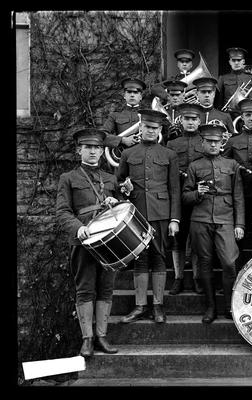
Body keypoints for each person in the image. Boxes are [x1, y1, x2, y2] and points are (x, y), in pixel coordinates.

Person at [56, 128, 122, 357]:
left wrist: (116, 202)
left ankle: (102, 336)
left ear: (103, 152)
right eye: (88, 147)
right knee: (84, 289)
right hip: (83, 242)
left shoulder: (111, 178)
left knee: (106, 288)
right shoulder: (69, 178)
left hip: (108, 245)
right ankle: (87, 339)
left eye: (97, 148)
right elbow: (62, 212)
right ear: (79, 151)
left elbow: (121, 214)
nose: (93, 151)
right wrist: (78, 227)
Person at [116, 109, 181, 324]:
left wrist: (174, 219)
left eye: (155, 128)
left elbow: (174, 189)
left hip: (161, 213)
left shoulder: (169, 154)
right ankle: (140, 306)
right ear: (141, 128)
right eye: (147, 127)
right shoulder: (128, 154)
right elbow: (118, 184)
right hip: (135, 213)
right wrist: (123, 188)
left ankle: (158, 306)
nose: (151, 131)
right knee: (139, 258)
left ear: (160, 129)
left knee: (159, 256)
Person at [182, 124, 245, 323]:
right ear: (203, 143)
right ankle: (211, 308)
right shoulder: (194, 166)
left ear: (222, 143)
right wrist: (197, 194)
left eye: (217, 142)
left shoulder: (231, 165)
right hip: (200, 219)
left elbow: (239, 197)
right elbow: (185, 197)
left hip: (225, 218)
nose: (213, 145)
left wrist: (240, 224)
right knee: (205, 263)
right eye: (209, 142)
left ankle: (229, 306)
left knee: (229, 263)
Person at [165, 103, 206, 295]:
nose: (190, 122)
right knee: (178, 240)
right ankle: (178, 277)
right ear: (181, 120)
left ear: (200, 121)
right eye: (187, 119)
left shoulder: (206, 142)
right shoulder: (173, 144)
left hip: (199, 197)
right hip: (178, 197)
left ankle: (198, 278)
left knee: (197, 240)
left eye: (194, 119)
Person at [222, 98, 252, 251]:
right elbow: (224, 165)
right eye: (248, 115)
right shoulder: (232, 141)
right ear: (242, 117)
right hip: (238, 192)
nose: (251, 118)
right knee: (239, 230)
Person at [102, 77, 146, 151]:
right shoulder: (115, 115)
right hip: (122, 156)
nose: (132, 95)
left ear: (140, 96)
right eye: (129, 92)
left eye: (136, 92)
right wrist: (122, 140)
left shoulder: (147, 115)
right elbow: (102, 135)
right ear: (124, 96)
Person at [216, 47, 252, 111]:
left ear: (243, 61)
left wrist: (248, 95)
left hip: (246, 111)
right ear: (230, 62)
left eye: (239, 60)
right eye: (233, 60)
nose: (236, 63)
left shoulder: (251, 78)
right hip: (228, 113)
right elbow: (218, 100)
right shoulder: (223, 78)